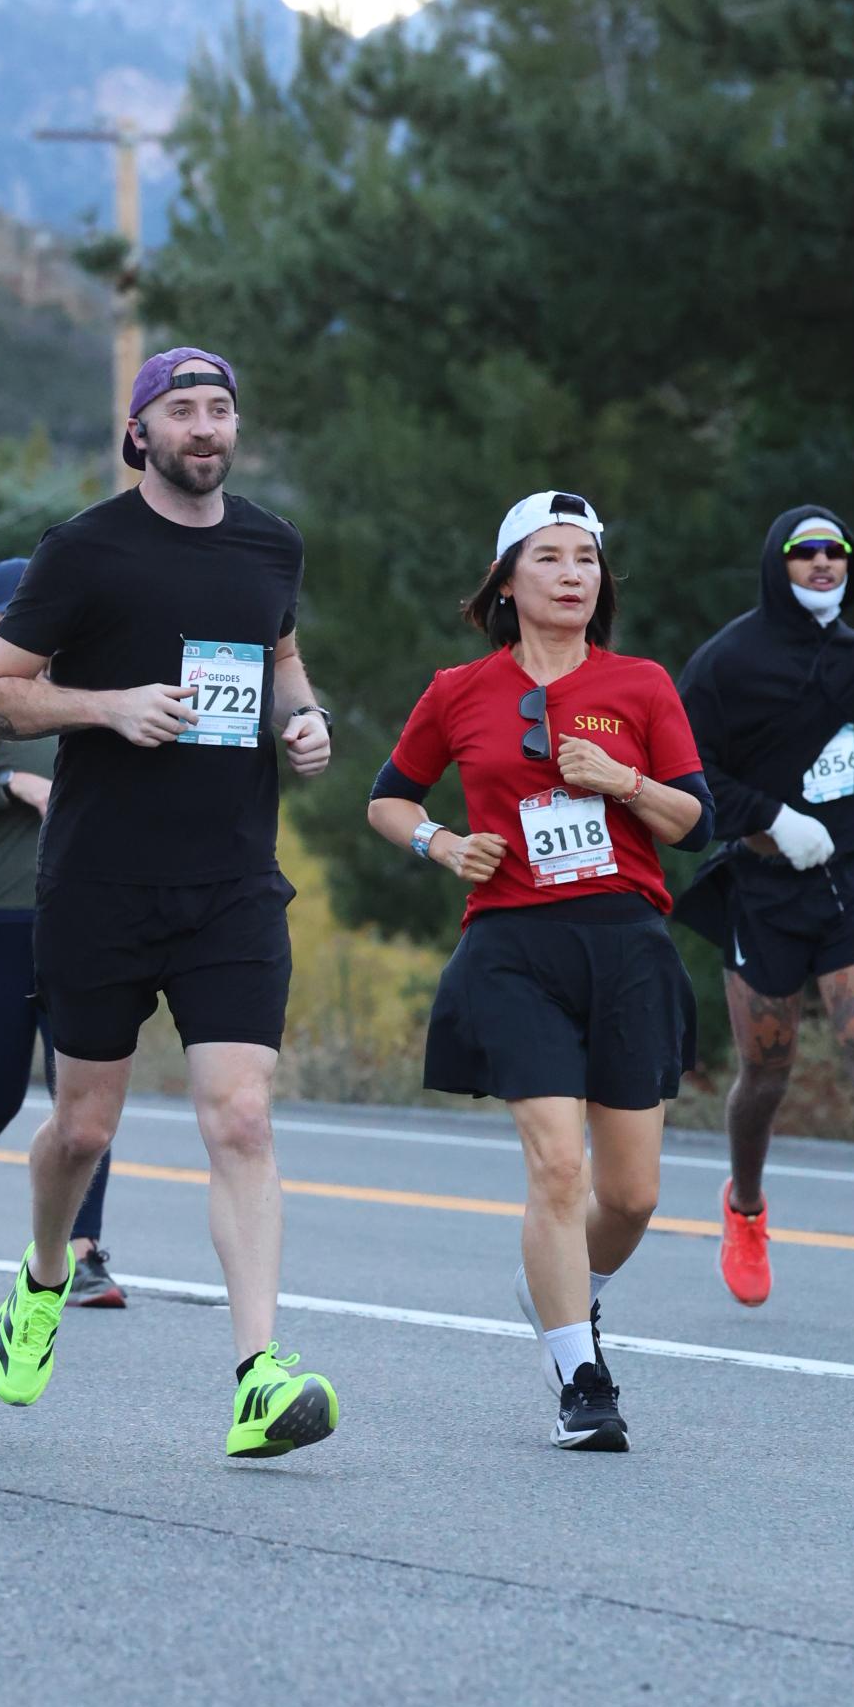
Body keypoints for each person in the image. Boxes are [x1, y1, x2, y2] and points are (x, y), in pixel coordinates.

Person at [0, 346, 338, 1459]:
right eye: (182, 410)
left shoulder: (271, 543)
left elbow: (282, 655)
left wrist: (303, 718)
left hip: (232, 878)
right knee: (83, 1127)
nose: (205, 426)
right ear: (140, 433)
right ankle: (42, 1278)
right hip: (101, 882)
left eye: (220, 409)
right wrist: (108, 707)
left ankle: (259, 1376)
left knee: (242, 1118)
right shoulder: (84, 549)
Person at [367, 490, 713, 1452]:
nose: (572, 576)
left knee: (631, 1196)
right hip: (513, 945)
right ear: (507, 583)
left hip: (626, 942)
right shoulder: (457, 690)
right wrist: (442, 844)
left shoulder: (641, 684)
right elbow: (389, 800)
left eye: (586, 559)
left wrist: (624, 782)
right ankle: (580, 1378)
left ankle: (561, 1289)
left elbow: (695, 824)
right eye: (550, 558)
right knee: (558, 1164)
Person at [676, 508, 854, 1306]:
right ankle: (746, 1207)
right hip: (765, 889)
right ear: (776, 564)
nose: (823, 562)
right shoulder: (728, 663)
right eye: (804, 551)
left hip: (852, 883)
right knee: (767, 1068)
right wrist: (772, 818)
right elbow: (683, 773)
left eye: (836, 550)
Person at [0, 555, 121, 1305]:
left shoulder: (88, 704)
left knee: (83, 1097)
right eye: (5, 620)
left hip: (80, 917)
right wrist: (8, 786)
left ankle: (83, 1253)